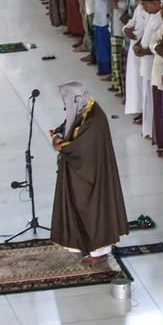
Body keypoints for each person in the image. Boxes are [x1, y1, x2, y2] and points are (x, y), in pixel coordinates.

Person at [50, 81, 128, 264]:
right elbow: (70, 123)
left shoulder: (94, 118)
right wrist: (58, 134)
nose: (65, 106)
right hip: (82, 171)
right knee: (82, 208)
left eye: (66, 102)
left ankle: (99, 251)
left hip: (92, 174)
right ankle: (86, 245)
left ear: (76, 98)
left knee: (94, 210)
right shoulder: (84, 110)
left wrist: (61, 146)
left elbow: (82, 146)